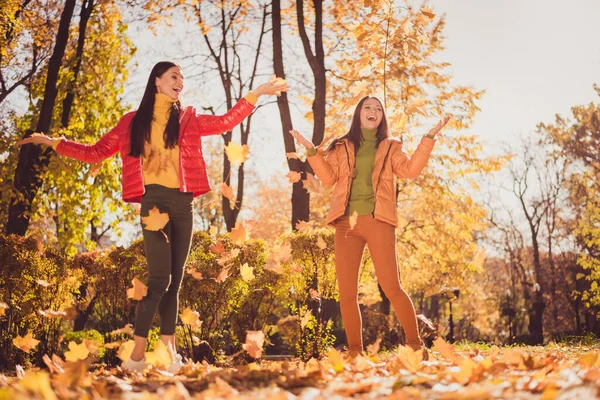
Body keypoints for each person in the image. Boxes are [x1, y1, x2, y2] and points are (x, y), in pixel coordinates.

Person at [18, 61, 289, 373]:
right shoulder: (132, 123)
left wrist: (256, 93)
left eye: (182, 78)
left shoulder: (188, 119)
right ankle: (136, 356)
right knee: (159, 279)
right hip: (154, 204)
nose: (180, 83)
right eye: (174, 76)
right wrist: (51, 142)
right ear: (157, 80)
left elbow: (226, 122)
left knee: (174, 283)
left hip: (183, 205)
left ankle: (168, 353)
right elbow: (95, 152)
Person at [289, 96, 449, 358]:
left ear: (382, 117)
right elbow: (329, 179)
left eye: (378, 108)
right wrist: (311, 151)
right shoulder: (342, 146)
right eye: (368, 107)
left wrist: (428, 138)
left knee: (392, 287)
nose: (373, 111)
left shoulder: (391, 147)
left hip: (379, 222)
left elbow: (409, 171)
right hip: (346, 225)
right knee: (347, 293)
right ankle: (355, 351)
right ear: (358, 113)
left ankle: (416, 346)